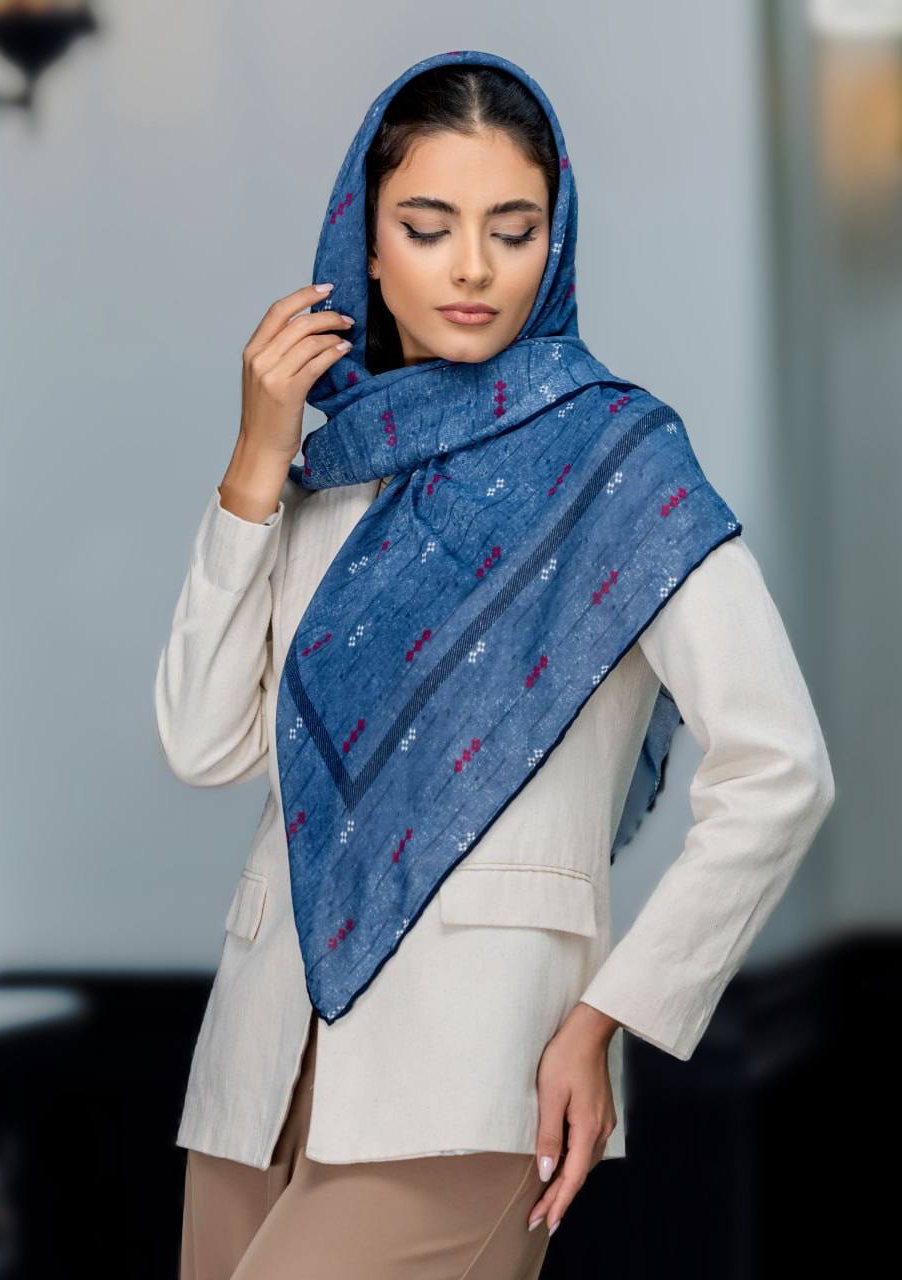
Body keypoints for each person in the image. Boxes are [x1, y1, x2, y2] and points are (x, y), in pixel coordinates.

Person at [156, 50, 835, 1280]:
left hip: (475, 1068)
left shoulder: (618, 462)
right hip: (261, 1061)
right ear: (366, 248)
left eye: (513, 231)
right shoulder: (330, 469)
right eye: (428, 227)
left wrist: (611, 1012)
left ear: (553, 243)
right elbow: (205, 744)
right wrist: (255, 466)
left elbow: (781, 766)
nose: (472, 267)